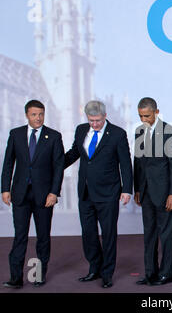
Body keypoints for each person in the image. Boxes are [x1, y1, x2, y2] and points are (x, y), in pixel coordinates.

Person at [64, 100, 133, 288]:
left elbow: (125, 163)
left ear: (105, 116)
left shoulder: (118, 134)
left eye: (97, 120)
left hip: (108, 193)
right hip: (85, 192)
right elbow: (73, 154)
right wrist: (55, 166)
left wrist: (127, 189)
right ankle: (94, 268)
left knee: (109, 234)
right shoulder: (80, 130)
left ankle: (107, 273)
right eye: (91, 120)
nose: (94, 124)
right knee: (88, 233)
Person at [1, 99, 64, 288]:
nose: (38, 118)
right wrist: (5, 188)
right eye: (34, 114)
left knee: (43, 236)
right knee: (20, 236)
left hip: (44, 196)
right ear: (27, 115)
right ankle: (16, 278)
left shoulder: (53, 136)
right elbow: (8, 164)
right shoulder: (16, 134)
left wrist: (54, 192)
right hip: (20, 194)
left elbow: (58, 167)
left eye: (41, 114)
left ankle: (38, 275)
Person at [134, 97, 172, 286]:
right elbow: (137, 162)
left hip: (164, 193)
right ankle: (150, 273)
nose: (143, 120)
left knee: (166, 235)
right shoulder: (139, 132)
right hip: (145, 192)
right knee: (149, 234)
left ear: (157, 112)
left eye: (147, 116)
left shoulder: (170, 132)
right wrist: (137, 188)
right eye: (140, 116)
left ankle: (167, 273)